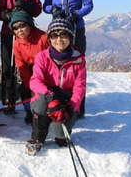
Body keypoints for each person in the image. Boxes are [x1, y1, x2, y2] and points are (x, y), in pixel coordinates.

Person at [25, 18, 86, 155]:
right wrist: (50, 96)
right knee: (40, 102)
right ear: (49, 39)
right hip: (47, 95)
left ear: (70, 37)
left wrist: (71, 107)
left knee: (60, 133)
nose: (59, 39)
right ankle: (37, 136)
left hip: (66, 98)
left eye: (63, 34)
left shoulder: (78, 59)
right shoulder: (42, 56)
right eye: (54, 35)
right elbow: (35, 81)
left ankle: (61, 132)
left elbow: (80, 87)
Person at [0, 0, 42, 109]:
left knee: (26, 66)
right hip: (8, 32)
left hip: (26, 33)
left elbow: (37, 9)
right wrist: (9, 14)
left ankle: (30, 98)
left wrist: (25, 6)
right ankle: (8, 100)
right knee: (7, 67)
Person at [10, 11, 49, 124]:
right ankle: (30, 111)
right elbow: (21, 65)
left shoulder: (43, 38)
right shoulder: (17, 43)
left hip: (46, 73)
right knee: (24, 90)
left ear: (29, 24)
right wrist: (30, 85)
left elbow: (50, 61)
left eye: (22, 25)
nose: (19, 30)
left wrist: (41, 82)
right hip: (30, 73)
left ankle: (45, 111)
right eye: (15, 28)